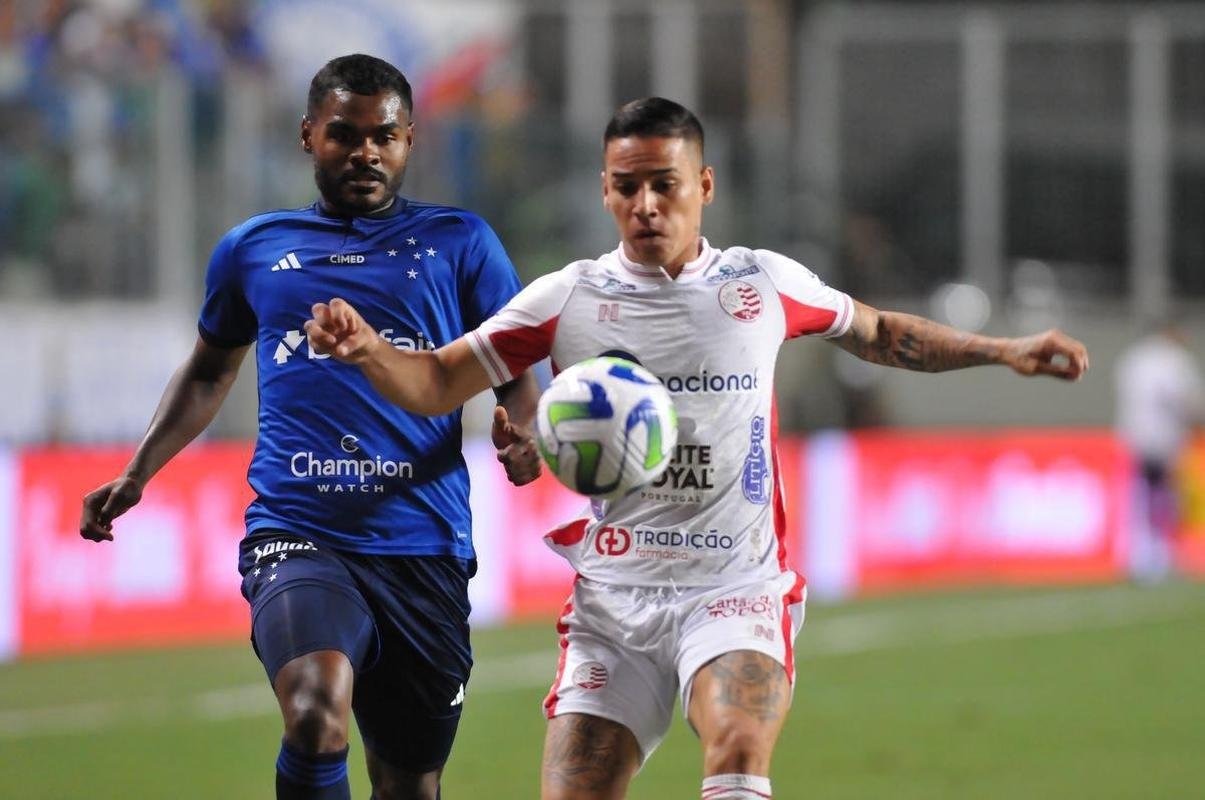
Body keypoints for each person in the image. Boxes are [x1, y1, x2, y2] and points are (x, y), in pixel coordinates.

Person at [303, 97, 1090, 800]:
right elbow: (439, 381)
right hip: (613, 600)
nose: (644, 205)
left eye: (664, 185)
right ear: (604, 191)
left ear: (703, 187)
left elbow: (881, 333)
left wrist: (1002, 350)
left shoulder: (765, 284)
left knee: (738, 749)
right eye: (625, 186)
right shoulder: (566, 298)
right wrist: (370, 350)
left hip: (735, 590)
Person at [78, 54, 541, 800]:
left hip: (420, 545)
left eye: (383, 136)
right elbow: (207, 370)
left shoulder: (461, 243)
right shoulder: (253, 249)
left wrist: (523, 431)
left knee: (408, 784)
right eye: (344, 134)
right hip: (299, 532)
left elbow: (517, 369)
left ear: (409, 140)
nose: (365, 152)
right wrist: (139, 472)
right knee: (313, 711)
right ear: (307, 136)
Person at [1115, 318, 1205, 582]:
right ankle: (1158, 556)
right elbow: (1184, 399)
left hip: (1134, 436)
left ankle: (1142, 555)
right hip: (1163, 438)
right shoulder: (1173, 360)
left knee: (1141, 497)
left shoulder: (1133, 358)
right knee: (1162, 498)